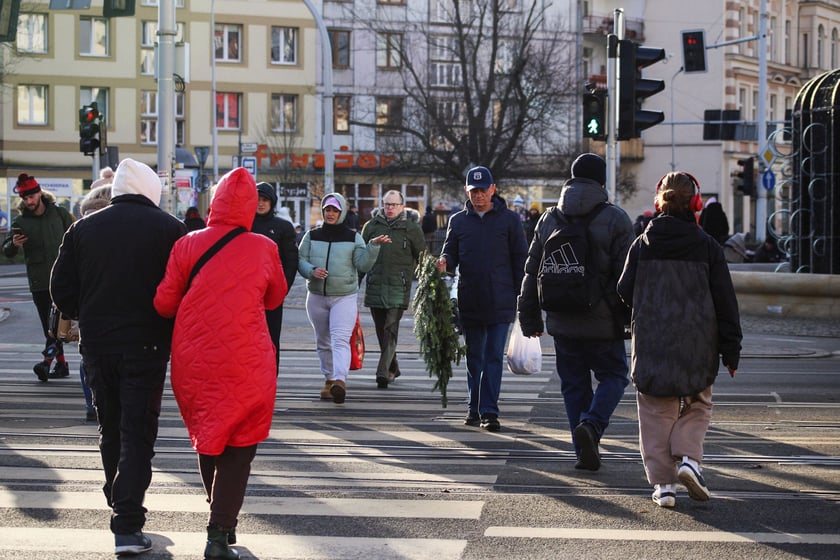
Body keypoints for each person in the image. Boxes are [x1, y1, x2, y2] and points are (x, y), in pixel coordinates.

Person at [50, 158, 187, 556]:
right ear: (150, 191)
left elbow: (61, 290)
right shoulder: (171, 230)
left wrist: (88, 312)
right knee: (138, 432)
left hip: (97, 344)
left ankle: (118, 496)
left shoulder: (83, 228)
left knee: (110, 426)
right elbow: (181, 289)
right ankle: (127, 524)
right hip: (147, 344)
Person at [155, 167, 286, 559]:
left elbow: (163, 302)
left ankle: (220, 518)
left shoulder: (188, 243)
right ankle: (219, 529)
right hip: (247, 356)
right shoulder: (264, 246)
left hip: (193, 357)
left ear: (215, 202)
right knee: (241, 443)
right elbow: (275, 296)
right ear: (249, 206)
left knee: (209, 432)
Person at [617, 171, 742, 508]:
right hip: (698, 342)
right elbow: (725, 302)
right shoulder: (708, 247)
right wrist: (731, 350)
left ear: (660, 201)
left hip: (652, 340)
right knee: (698, 404)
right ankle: (689, 460)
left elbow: (623, 290)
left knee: (656, 411)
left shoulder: (642, 243)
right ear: (696, 203)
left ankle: (664, 487)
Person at [517, 153, 634, 470]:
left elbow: (532, 271)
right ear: (601, 182)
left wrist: (529, 317)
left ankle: (583, 452)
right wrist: (630, 318)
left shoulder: (549, 218)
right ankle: (593, 425)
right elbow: (629, 276)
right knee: (614, 376)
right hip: (602, 321)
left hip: (561, 320)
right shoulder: (616, 219)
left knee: (573, 385)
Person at [436, 166, 528, 433]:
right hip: (471, 298)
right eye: (473, 191)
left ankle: (489, 411)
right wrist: (444, 262)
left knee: (492, 357)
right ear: (467, 191)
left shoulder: (509, 221)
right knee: (474, 356)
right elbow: (450, 252)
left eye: (482, 190)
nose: (478, 196)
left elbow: (520, 259)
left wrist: (522, 295)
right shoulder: (458, 221)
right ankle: (473, 407)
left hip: (501, 299)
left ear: (492, 190)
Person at [298, 192, 389, 404]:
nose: (330, 214)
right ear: (323, 211)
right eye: (327, 210)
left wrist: (373, 247)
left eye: (335, 210)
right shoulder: (311, 236)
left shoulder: (353, 237)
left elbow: (363, 265)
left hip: (344, 296)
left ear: (342, 212)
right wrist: (311, 270)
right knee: (323, 341)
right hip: (317, 296)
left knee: (340, 340)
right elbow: (301, 260)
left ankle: (340, 380)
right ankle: (329, 380)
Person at [2, 173, 75, 382]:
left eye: (31, 197)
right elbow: (6, 250)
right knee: (48, 326)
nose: (28, 201)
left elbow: (76, 238)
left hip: (64, 278)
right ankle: (60, 364)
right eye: (25, 198)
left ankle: (47, 361)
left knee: (58, 325)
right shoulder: (20, 221)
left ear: (39, 193)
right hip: (39, 282)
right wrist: (14, 244)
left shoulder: (60, 214)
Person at [361, 190, 425, 388]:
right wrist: (355, 280)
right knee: (381, 331)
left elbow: (422, 256)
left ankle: (382, 372)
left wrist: (428, 281)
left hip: (399, 286)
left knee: (391, 329)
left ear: (402, 206)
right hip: (375, 286)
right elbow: (361, 257)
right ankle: (393, 367)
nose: (390, 208)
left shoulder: (411, 228)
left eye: (394, 205)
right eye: (387, 204)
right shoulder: (371, 227)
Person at [75, 183, 114, 422]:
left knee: (88, 357)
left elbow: (62, 278)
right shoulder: (122, 228)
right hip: (123, 309)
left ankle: (92, 403)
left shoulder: (78, 228)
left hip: (88, 308)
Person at [252, 182, 298, 374]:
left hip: (271, 293)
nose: (261, 204)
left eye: (265, 200)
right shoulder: (244, 223)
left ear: (272, 202)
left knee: (271, 336)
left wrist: (282, 288)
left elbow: (291, 261)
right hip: (247, 292)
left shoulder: (283, 227)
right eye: (257, 199)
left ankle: (271, 374)